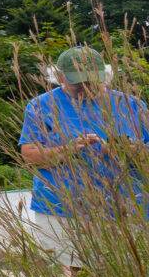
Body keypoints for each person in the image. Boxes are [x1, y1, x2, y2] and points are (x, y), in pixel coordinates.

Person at [18, 45, 149, 250]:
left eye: (91, 79)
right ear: (59, 77)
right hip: (63, 206)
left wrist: (130, 151)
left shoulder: (132, 105)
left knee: (129, 272)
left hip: (126, 205)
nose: (85, 85)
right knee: (81, 274)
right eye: (76, 81)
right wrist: (66, 150)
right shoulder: (40, 105)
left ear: (105, 75)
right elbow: (29, 155)